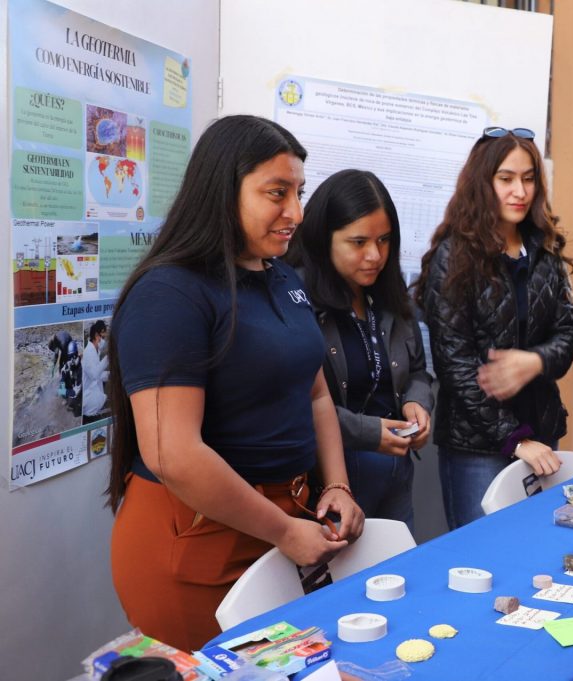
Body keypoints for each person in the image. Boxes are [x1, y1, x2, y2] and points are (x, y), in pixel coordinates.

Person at [106, 115, 365, 651]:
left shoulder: (281, 276)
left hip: (286, 526)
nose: (296, 213)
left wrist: (337, 485)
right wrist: (283, 530)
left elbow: (316, 393)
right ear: (223, 189)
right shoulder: (170, 293)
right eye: (277, 193)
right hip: (200, 539)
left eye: (299, 193)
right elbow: (173, 454)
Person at [416, 126, 573, 530]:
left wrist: (535, 361)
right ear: (482, 183)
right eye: (506, 179)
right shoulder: (453, 257)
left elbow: (567, 336)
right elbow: (455, 366)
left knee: (538, 548)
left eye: (528, 179)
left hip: (542, 431)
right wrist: (515, 439)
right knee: (483, 556)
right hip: (478, 445)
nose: (519, 191)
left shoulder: (545, 250)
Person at [288, 169, 433, 531]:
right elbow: (297, 405)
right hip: (333, 481)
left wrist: (417, 403)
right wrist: (368, 432)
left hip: (396, 475)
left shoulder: (388, 292)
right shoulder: (295, 298)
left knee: (401, 565)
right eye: (358, 242)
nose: (375, 255)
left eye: (384, 240)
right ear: (323, 239)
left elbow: (417, 370)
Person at [82, 319, 110, 423]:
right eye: (102, 337)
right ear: (96, 335)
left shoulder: (95, 352)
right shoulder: (89, 353)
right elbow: (94, 375)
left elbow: (98, 375)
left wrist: (110, 375)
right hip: (88, 408)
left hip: (93, 405)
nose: (103, 341)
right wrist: (108, 358)